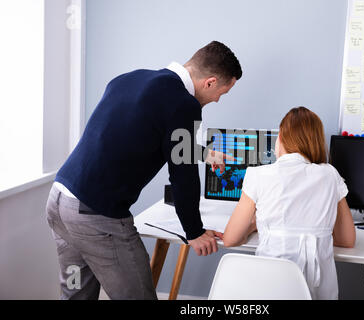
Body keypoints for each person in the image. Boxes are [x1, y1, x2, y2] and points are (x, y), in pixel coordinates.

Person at [46, 41, 242, 300]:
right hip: (95, 216)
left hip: (60, 204)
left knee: (76, 295)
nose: (217, 99)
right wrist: (194, 231)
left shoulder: (131, 78)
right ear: (210, 82)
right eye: (221, 93)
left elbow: (139, 135)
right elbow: (182, 173)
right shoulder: (184, 104)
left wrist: (205, 153)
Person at [223, 106, 355, 300]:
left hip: (271, 289)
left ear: (282, 138)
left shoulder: (258, 175)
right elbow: (346, 240)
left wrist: (254, 226)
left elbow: (230, 239)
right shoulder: (330, 174)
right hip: (319, 292)